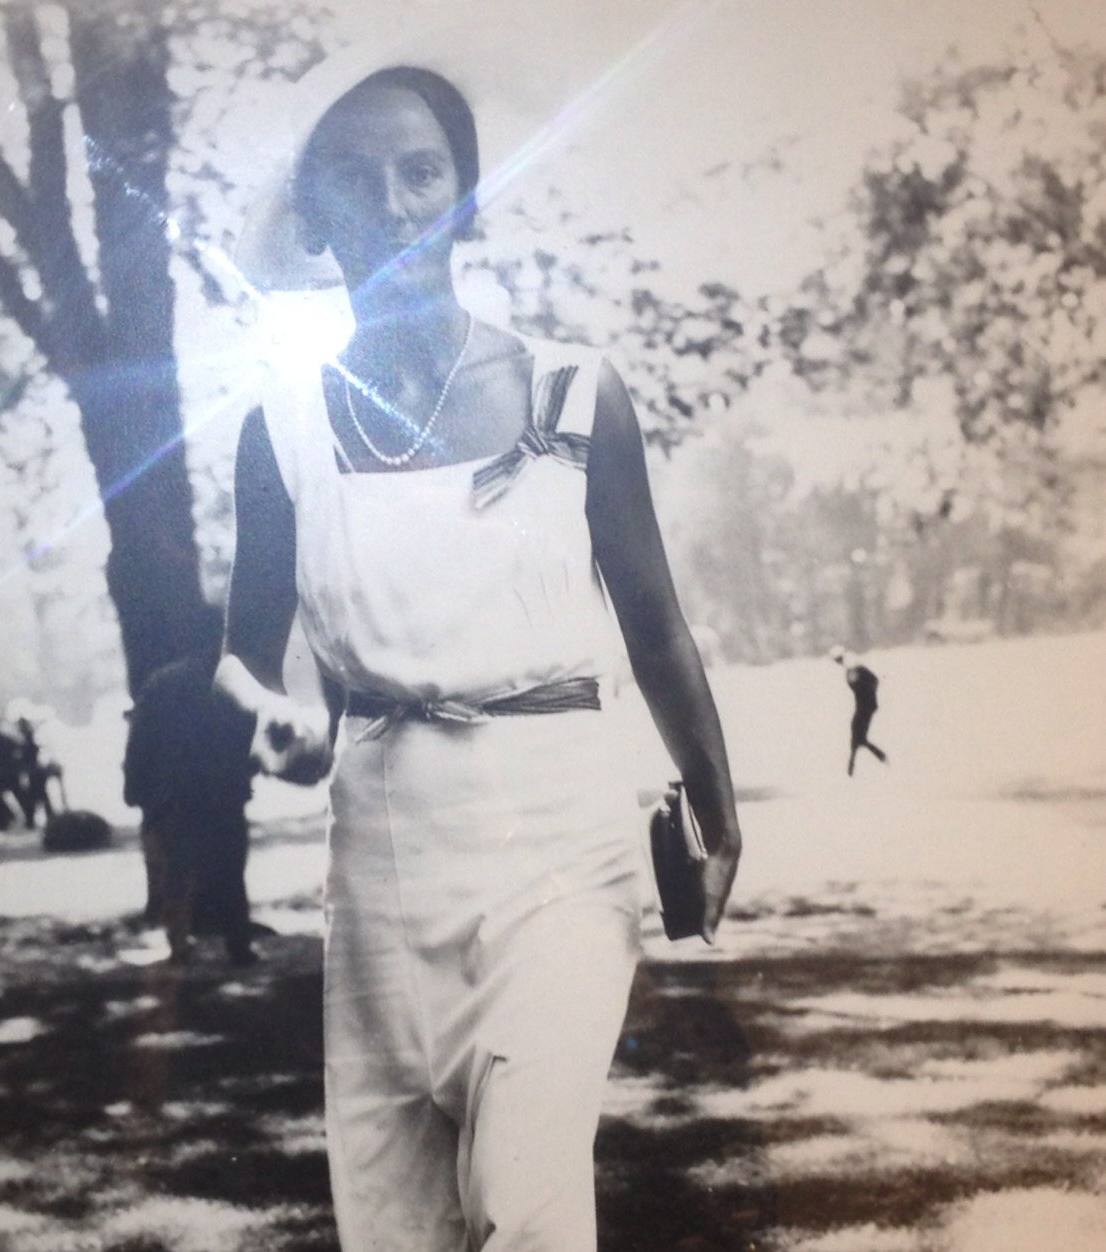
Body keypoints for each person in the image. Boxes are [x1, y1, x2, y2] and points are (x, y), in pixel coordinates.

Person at [217, 57, 743, 1252]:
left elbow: (656, 621)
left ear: (463, 200)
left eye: (421, 173)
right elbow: (241, 661)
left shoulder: (574, 393)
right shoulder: (280, 430)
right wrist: (274, 721)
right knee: (401, 1222)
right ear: (313, 217)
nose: (393, 204)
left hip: (557, 841)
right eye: (355, 180)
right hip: (382, 858)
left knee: (525, 1199)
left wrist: (718, 812)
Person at [122, 656, 260, 966]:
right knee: (230, 872)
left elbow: (139, 741)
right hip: (222, 793)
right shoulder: (230, 685)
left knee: (177, 872)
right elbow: (248, 734)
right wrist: (243, 776)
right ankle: (239, 944)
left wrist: (134, 788)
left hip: (174, 795)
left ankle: (179, 944)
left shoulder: (158, 685)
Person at [831, 645, 888, 776]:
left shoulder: (854, 669)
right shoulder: (853, 669)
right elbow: (873, 681)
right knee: (858, 737)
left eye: (837, 660)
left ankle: (851, 769)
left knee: (858, 736)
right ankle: (876, 757)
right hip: (864, 706)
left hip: (865, 707)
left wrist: (869, 697)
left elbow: (872, 681)